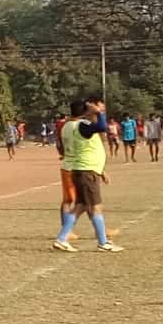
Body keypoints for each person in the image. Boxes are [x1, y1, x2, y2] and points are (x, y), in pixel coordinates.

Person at [53, 95, 123, 253]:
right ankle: (102, 242)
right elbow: (101, 127)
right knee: (95, 207)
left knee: (81, 206)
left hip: (80, 169)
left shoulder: (67, 126)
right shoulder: (81, 125)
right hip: (87, 170)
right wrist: (99, 113)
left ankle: (62, 238)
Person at [56, 100, 84, 236]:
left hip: (67, 165)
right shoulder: (82, 126)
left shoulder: (65, 126)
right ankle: (66, 230)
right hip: (79, 165)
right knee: (87, 200)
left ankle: (66, 229)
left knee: (69, 200)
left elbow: (60, 146)